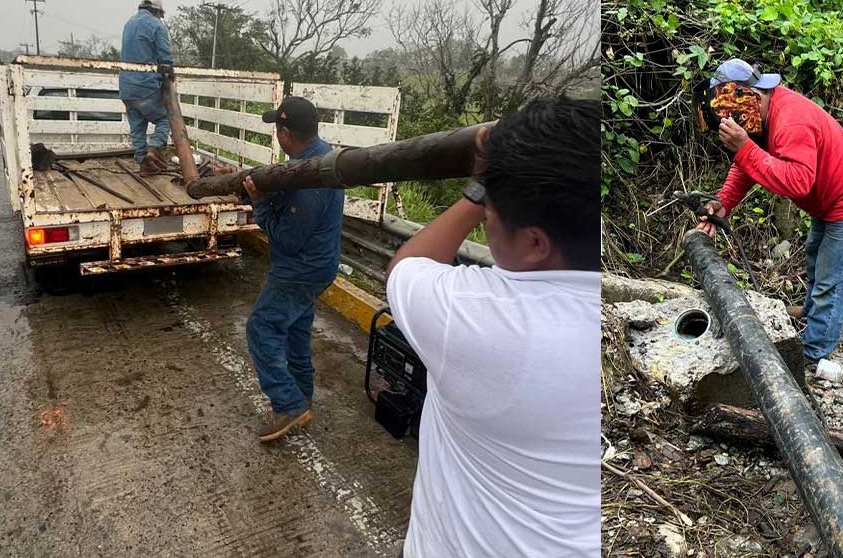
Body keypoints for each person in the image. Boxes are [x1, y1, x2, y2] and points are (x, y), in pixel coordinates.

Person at [385, 98, 600, 558]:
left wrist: (478, 187)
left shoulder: (479, 317)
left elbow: (407, 265)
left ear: (535, 243)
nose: (486, 221)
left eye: (490, 217)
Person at [695, 58, 843, 367]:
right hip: (826, 201)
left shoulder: (790, 119)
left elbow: (797, 181)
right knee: (815, 262)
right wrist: (724, 202)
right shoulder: (762, 117)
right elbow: (748, 164)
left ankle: (813, 353)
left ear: (752, 97)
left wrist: (744, 148)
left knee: (831, 281)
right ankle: (811, 319)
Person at [240, 96, 344, 442]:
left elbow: (286, 240)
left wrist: (260, 206)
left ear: (285, 133)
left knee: (261, 327)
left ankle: (288, 404)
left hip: (301, 267)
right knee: (296, 331)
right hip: (319, 264)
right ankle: (303, 396)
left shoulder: (308, 178)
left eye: (277, 130)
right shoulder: (320, 156)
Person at [118, 0, 174, 173]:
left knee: (137, 125)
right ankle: (155, 149)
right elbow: (165, 58)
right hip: (145, 85)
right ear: (157, 12)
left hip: (126, 87)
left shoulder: (129, 24)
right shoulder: (156, 25)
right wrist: (169, 76)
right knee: (164, 119)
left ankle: (144, 162)